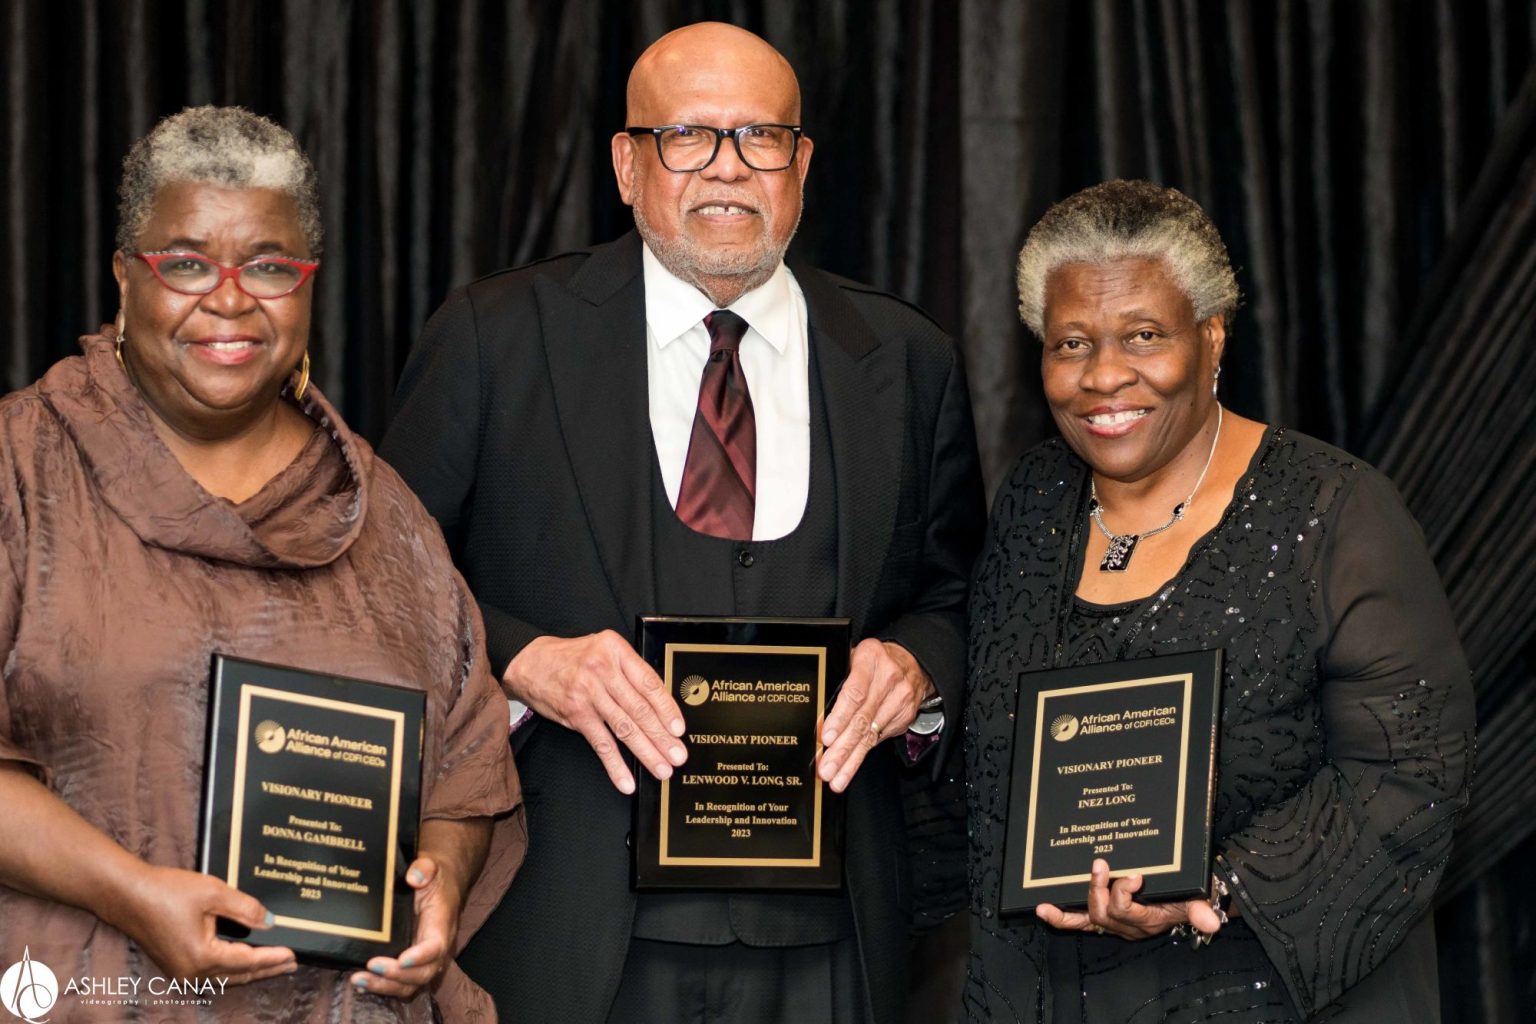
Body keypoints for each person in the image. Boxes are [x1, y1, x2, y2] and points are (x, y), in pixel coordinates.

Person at [379, 21, 985, 1024]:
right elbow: (380, 585)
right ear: (626, 163)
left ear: (802, 164)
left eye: (760, 138)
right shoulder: (494, 338)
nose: (727, 170)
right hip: (566, 929)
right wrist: (524, 659)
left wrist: (917, 668)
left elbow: (957, 596)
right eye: (688, 137)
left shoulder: (907, 359)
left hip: (835, 943)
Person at [0, 106, 525, 1023]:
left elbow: (468, 773)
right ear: (126, 279)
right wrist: (130, 892)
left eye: (272, 265)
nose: (233, 298)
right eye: (188, 262)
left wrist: (437, 882)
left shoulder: (385, 514)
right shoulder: (23, 468)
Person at [963, 179, 1475, 1023]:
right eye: (1070, 344)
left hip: (1256, 992)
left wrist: (1219, 882)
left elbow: (1413, 775)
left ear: (1212, 338)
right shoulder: (1032, 501)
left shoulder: (1333, 510)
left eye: (1144, 336)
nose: (1104, 377)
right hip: (1045, 990)